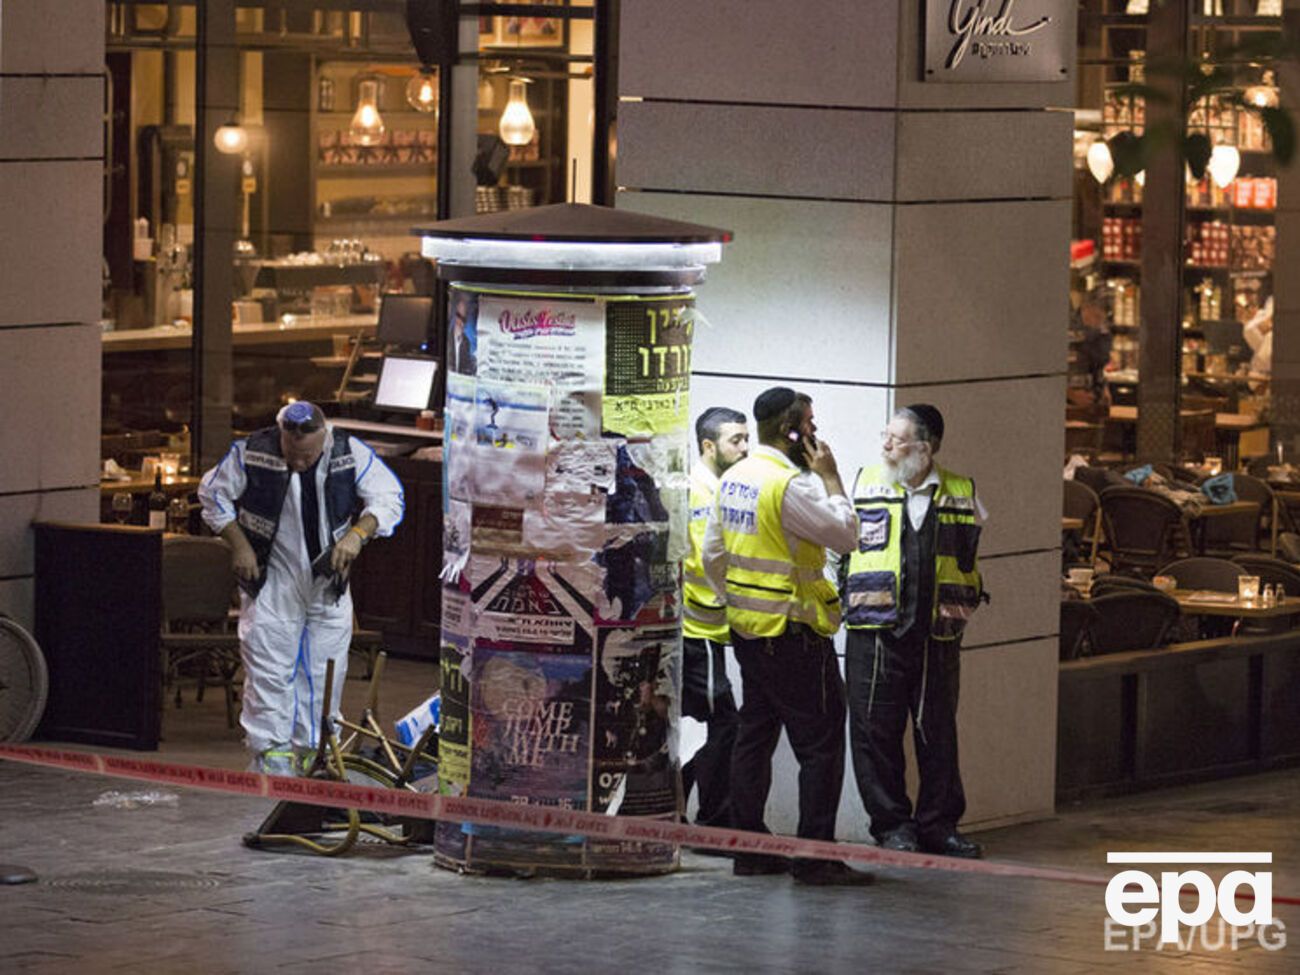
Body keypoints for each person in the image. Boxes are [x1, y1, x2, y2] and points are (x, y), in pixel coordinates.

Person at [702, 387, 870, 886]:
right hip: (795, 633)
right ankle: (815, 857)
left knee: (754, 735)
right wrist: (832, 478)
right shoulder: (789, 486)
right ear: (790, 430)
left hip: (750, 632)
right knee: (819, 746)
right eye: (810, 425)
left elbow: (713, 555)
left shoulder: (735, 479)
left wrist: (738, 601)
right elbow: (847, 535)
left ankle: (749, 849)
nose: (815, 434)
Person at [198, 401, 404, 775]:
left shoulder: (348, 451)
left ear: (323, 438)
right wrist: (240, 544)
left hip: (327, 579)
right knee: (269, 668)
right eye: (292, 454)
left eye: (307, 456)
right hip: (274, 573)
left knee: (326, 670)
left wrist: (359, 534)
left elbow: (389, 497)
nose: (299, 463)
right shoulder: (251, 452)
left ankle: (315, 758)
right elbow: (212, 495)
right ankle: (272, 762)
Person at [842, 404, 986, 859]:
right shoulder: (862, 481)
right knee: (873, 732)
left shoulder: (963, 491)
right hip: (875, 630)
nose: (885, 445)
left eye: (896, 438)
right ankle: (891, 826)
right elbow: (835, 552)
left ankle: (939, 826)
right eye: (885, 435)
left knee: (938, 733)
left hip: (937, 634)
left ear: (924, 449)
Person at [680, 406, 748, 834]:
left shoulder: (720, 487)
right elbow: (708, 563)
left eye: (747, 439)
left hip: (710, 630)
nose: (745, 448)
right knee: (719, 724)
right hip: (698, 630)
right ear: (709, 445)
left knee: (697, 724)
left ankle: (682, 813)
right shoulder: (701, 494)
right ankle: (712, 818)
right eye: (736, 440)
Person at [449, 292, 477, 376]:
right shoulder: (445, 339)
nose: (461, 323)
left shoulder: (467, 340)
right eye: (458, 316)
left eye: (464, 319)